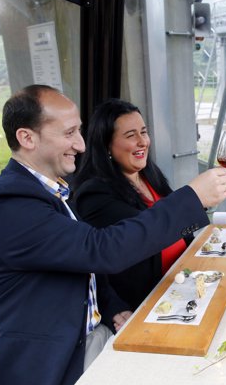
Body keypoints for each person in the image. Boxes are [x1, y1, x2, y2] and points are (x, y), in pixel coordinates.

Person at [0, 85, 226, 385]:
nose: (81, 145)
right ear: (27, 137)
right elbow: (100, 250)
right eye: (69, 133)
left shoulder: (53, 189)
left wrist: (114, 307)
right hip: (40, 360)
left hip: (85, 334)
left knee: (185, 375)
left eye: (80, 131)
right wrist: (192, 197)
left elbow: (78, 262)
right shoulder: (8, 201)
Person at [71, 99, 191, 310]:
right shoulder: (95, 193)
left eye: (143, 132)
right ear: (107, 145)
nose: (142, 141)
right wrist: (195, 197)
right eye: (130, 135)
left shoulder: (149, 175)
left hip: (183, 285)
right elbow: (148, 230)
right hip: (151, 304)